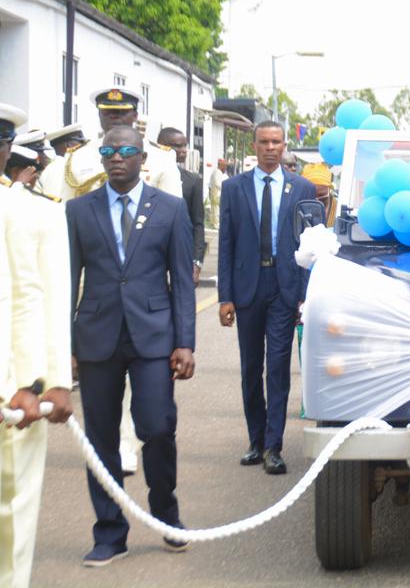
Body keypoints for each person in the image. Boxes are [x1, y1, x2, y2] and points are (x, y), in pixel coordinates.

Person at [66, 125, 195, 567]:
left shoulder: (171, 209)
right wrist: (64, 345)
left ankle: (165, 513)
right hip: (97, 336)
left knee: (157, 426)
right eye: (108, 150)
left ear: (143, 158)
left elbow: (182, 281)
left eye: (125, 150)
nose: (116, 157)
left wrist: (186, 342)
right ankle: (109, 534)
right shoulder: (79, 211)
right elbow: (68, 282)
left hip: (154, 336)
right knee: (99, 439)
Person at [0, 103, 73, 588]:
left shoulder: (37, 214)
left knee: (14, 516)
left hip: (19, 392)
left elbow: (44, 301)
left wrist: (56, 384)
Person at [218, 121, 316, 475]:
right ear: (254, 145)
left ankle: (274, 446)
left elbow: (310, 246)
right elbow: (226, 243)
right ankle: (255, 441)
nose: (270, 148)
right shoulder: (233, 188)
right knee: (250, 369)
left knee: (277, 368)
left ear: (284, 145)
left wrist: (305, 295)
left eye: (276, 142)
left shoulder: (302, 187)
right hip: (247, 287)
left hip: (283, 286)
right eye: (264, 142)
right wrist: (224, 297)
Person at [38, 87, 182, 201]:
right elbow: (67, 206)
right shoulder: (78, 156)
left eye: (121, 111)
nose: (114, 116)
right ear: (99, 114)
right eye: (107, 111)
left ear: (135, 115)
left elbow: (172, 210)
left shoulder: (162, 157)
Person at [157, 128, 206, 283]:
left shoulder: (192, 181)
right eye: (177, 146)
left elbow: (197, 223)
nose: (184, 151)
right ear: (161, 146)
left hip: (180, 252)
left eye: (185, 145)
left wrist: (197, 261)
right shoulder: (147, 176)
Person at [301, 162, 337, 227]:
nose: (317, 200)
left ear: (329, 190)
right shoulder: (298, 208)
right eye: (312, 195)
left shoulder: (338, 209)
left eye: (321, 195)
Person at [207, 158, 226, 230]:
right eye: (224, 166)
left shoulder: (216, 172)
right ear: (221, 165)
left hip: (215, 193)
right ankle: (216, 224)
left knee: (215, 209)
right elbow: (218, 184)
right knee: (216, 210)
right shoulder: (217, 172)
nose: (225, 168)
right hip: (217, 194)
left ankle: (214, 223)